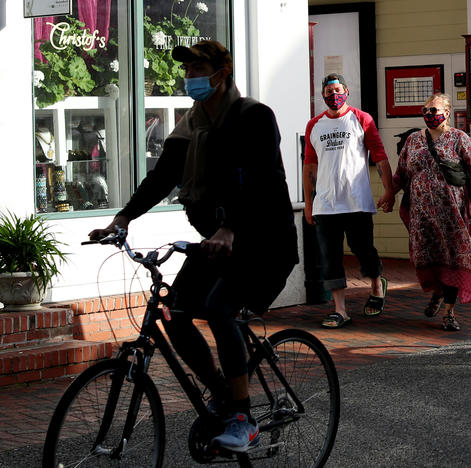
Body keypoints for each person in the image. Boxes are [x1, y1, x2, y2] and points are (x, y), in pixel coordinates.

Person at [89, 40, 298, 452]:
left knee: (221, 309)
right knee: (175, 311)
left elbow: (265, 183)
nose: (191, 77)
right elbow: (162, 176)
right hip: (219, 242)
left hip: (265, 242)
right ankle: (223, 391)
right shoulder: (191, 124)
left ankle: (243, 419)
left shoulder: (253, 117)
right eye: (187, 71)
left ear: (222, 73)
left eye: (198, 69)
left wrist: (231, 228)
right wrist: (124, 217)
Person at [303, 73, 395, 329]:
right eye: (329, 91)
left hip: (356, 201)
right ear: (322, 95)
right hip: (326, 204)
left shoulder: (361, 119)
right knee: (330, 257)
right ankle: (340, 310)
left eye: (338, 90)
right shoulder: (314, 125)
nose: (334, 95)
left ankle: (377, 284)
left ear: (346, 91)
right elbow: (309, 165)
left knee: (363, 250)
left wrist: (389, 190)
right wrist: (309, 204)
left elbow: (379, 155)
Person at [392, 93, 471, 331]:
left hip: (451, 214)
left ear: (446, 112)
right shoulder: (413, 140)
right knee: (428, 256)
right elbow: (401, 174)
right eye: (425, 110)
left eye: (434, 110)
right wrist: (387, 195)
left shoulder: (458, 138)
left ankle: (449, 312)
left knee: (454, 257)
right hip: (422, 216)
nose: (429, 115)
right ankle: (437, 291)